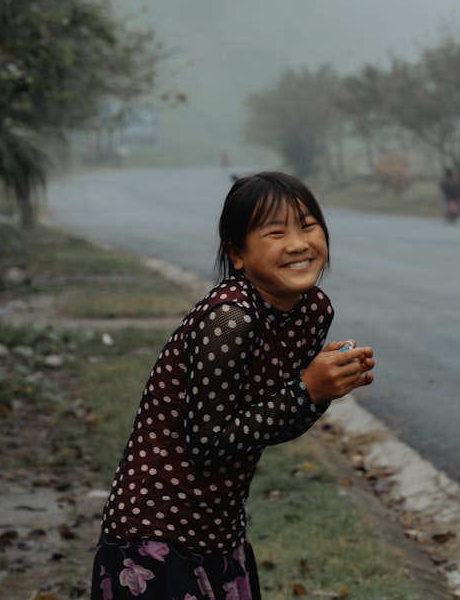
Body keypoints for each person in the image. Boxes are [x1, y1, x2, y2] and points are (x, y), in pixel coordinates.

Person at [89, 171, 375, 600]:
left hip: (220, 531)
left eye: (308, 225)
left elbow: (270, 424)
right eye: (276, 232)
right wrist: (308, 391)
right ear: (236, 254)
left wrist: (321, 390)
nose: (298, 244)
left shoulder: (312, 310)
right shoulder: (230, 318)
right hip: (156, 533)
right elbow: (209, 443)